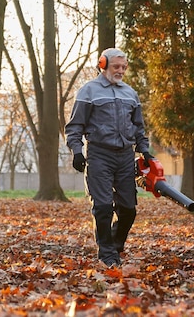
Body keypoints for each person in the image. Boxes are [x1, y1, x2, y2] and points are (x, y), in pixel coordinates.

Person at [65, 47, 153, 267]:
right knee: (103, 206)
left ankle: (115, 243)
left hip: (125, 156)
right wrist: (77, 151)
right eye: (116, 66)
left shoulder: (130, 93)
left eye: (124, 67)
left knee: (129, 209)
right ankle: (107, 253)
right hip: (99, 155)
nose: (121, 70)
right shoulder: (88, 91)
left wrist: (144, 149)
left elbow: (138, 127)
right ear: (102, 65)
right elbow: (75, 126)